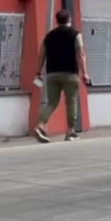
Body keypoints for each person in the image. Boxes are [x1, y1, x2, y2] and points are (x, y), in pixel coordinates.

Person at [33, 10, 88, 143]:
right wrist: (85, 73)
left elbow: (41, 55)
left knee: (52, 102)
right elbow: (80, 53)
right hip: (70, 73)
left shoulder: (49, 36)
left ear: (56, 21)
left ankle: (40, 125)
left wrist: (38, 72)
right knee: (71, 101)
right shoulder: (75, 34)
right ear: (69, 19)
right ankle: (70, 132)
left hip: (52, 74)